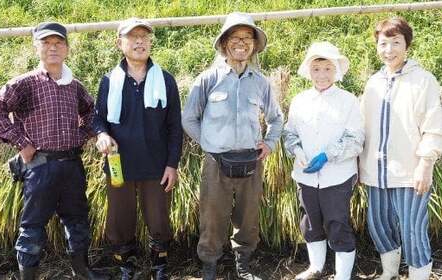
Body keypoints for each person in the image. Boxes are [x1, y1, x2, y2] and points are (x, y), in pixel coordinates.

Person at [0, 22, 108, 280]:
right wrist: (21, 142)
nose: (53, 48)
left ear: (67, 48)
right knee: (32, 227)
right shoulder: (24, 84)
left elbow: (91, 113)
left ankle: (82, 271)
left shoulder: (74, 85)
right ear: (37, 47)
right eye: (46, 43)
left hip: (72, 165)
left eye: (58, 43)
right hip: (39, 167)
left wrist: (85, 133)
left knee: (77, 220)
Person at [182, 12, 283, 280]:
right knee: (212, 217)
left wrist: (270, 143)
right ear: (225, 43)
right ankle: (210, 265)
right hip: (216, 162)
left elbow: (276, 118)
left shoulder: (261, 83)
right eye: (235, 37)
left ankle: (243, 264)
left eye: (247, 37)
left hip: (252, 161)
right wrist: (209, 144)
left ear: (254, 44)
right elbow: (189, 117)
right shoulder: (207, 79)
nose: (242, 42)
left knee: (248, 218)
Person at [93, 17, 183, 280]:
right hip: (119, 164)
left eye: (144, 36)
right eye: (133, 37)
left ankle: (159, 267)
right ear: (119, 43)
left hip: (156, 165)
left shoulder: (165, 80)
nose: (140, 41)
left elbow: (174, 127)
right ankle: (126, 266)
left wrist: (172, 164)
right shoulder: (109, 80)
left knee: (159, 219)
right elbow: (98, 117)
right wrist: (101, 133)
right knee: (120, 220)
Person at [360, 17, 442, 280]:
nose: (389, 50)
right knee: (379, 225)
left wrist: (426, 163)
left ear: (407, 44)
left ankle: (419, 275)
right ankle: (390, 272)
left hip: (410, 170)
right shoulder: (373, 82)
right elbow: (363, 126)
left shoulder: (423, 80)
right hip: (376, 171)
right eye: (383, 43)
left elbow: (434, 125)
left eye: (396, 42)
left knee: (412, 230)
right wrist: (359, 165)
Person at [284, 42, 364, 280]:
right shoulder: (300, 100)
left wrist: (328, 155)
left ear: (336, 70)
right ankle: (316, 267)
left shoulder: (348, 101)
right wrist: (297, 151)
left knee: (337, 223)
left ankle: (342, 275)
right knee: (310, 221)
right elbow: (290, 133)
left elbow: (356, 139)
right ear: (309, 70)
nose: (322, 75)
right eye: (316, 69)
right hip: (306, 175)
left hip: (337, 176)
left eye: (328, 68)